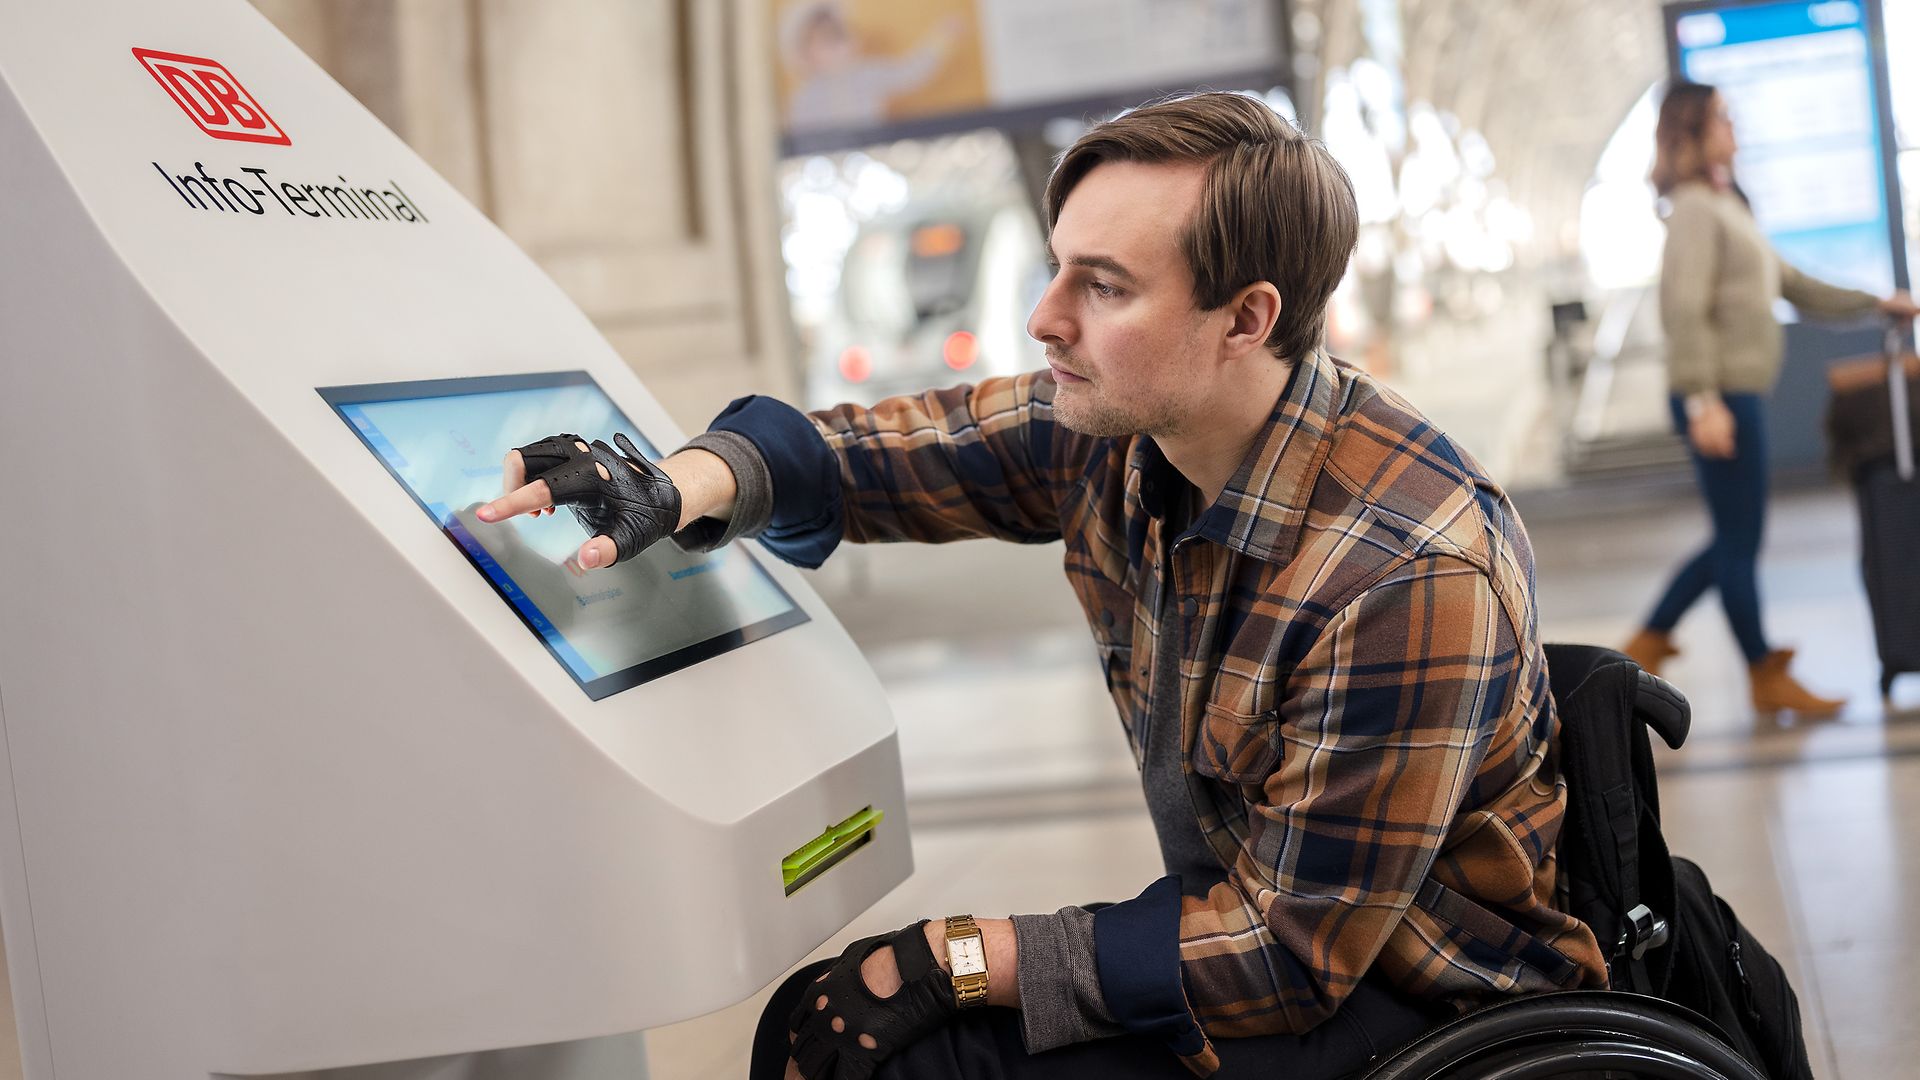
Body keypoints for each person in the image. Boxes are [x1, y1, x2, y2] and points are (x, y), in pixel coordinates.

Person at [478, 93, 1607, 1078]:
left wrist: (961, 955)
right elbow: (886, 452)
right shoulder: (1130, 433)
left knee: (889, 1043)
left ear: (1246, 319)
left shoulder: (1402, 568)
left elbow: (1290, 957)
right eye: (1059, 263)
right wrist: (675, 481)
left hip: (1420, 1010)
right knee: (826, 1025)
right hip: (1266, 943)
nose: (1044, 316)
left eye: (1103, 287)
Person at [1619, 81, 1920, 715]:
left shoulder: (1729, 205)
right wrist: (1704, 402)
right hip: (1720, 395)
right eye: (1723, 118)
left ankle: (1651, 640)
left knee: (1733, 539)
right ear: (1693, 132)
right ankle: (1760, 671)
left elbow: (1793, 283)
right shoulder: (1697, 209)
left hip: (1733, 392)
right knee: (1737, 542)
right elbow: (1684, 311)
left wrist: (1873, 302)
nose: (1736, 128)